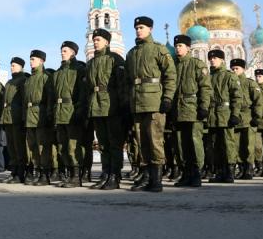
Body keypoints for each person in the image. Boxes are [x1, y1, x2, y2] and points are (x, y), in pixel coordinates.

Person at [126, 17, 177, 193]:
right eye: (136, 28)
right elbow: (128, 81)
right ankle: (146, 176)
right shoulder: (131, 53)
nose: (138, 30)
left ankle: (156, 180)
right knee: (142, 142)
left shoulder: (159, 50)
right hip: (137, 102)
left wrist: (168, 98)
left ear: (150, 29)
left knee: (155, 141)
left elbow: (170, 76)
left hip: (154, 102)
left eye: (142, 27)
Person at [87, 28, 127, 190]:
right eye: (94, 39)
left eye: (98, 39)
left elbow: (122, 84)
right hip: (96, 106)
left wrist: (122, 105)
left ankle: (115, 175)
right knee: (103, 143)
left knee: (114, 142)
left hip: (112, 106)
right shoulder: (91, 63)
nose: (95, 42)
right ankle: (106, 173)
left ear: (107, 42)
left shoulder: (115, 59)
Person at [170, 35, 212, 188]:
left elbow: (205, 88)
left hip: (193, 109)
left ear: (188, 48)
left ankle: (196, 173)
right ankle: (185, 173)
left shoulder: (196, 64)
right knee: (180, 144)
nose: (178, 48)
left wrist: (203, 107)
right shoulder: (173, 66)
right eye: (176, 46)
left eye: (181, 45)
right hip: (177, 109)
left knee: (194, 142)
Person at [53, 41, 87, 188]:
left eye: (65, 50)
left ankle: (76, 176)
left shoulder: (78, 70)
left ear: (73, 52)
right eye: (62, 50)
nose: (62, 52)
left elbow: (83, 92)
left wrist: (79, 110)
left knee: (73, 146)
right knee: (63, 146)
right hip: (59, 113)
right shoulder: (58, 73)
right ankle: (69, 174)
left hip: (72, 112)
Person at [206, 49, 242, 183]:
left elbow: (237, 97)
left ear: (222, 60)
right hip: (212, 115)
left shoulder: (229, 76)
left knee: (228, 144)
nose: (212, 60)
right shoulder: (209, 76)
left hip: (225, 115)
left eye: (215, 58)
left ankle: (230, 172)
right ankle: (220, 172)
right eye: (210, 58)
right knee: (215, 145)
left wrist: (235, 114)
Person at [24, 50, 55, 186]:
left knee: (43, 146)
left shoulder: (46, 77)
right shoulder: (29, 80)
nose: (31, 62)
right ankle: (38, 171)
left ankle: (45, 174)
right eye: (30, 59)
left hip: (40, 115)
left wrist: (48, 116)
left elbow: (49, 98)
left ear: (42, 61)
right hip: (29, 116)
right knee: (33, 147)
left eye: (34, 59)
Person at [230, 59, 263, 180]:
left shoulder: (250, 83)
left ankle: (249, 169)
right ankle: (241, 168)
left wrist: (257, 117)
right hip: (236, 118)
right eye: (232, 69)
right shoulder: (231, 82)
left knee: (249, 146)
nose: (234, 71)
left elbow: (259, 102)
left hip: (249, 118)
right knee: (237, 146)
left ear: (243, 69)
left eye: (237, 69)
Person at [0, 57, 28, 184]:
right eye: (11, 65)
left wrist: (23, 118)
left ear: (21, 67)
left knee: (19, 147)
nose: (12, 67)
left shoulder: (23, 80)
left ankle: (21, 173)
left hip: (17, 118)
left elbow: (24, 101)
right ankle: (14, 172)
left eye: (14, 65)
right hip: (8, 118)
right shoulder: (9, 82)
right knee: (11, 147)